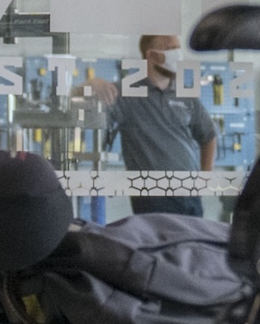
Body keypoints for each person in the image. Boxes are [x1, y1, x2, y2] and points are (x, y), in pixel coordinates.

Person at [91, 34, 218, 216]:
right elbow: (88, 112)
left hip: (190, 195)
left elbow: (209, 135)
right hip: (153, 198)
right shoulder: (127, 93)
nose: (177, 54)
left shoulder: (185, 94)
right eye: (169, 48)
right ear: (151, 55)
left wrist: (205, 178)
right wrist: (89, 85)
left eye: (177, 47)